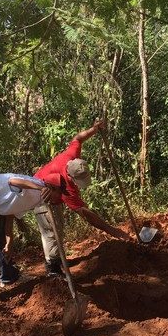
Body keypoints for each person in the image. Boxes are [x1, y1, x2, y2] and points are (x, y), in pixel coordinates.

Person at [33, 119, 131, 277]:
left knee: (59, 226)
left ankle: (58, 258)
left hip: (53, 190)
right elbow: (87, 215)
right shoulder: (67, 187)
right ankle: (52, 267)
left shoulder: (72, 158)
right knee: (52, 230)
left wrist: (94, 129)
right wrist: (113, 230)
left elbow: (78, 138)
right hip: (40, 193)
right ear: (71, 178)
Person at [0, 173, 62, 310]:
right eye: (59, 193)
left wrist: (10, 241)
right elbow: (12, 181)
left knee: (0, 242)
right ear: (51, 188)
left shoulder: (38, 200)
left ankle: (9, 276)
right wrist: (39, 188)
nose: (60, 199)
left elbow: (9, 215)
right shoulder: (36, 188)